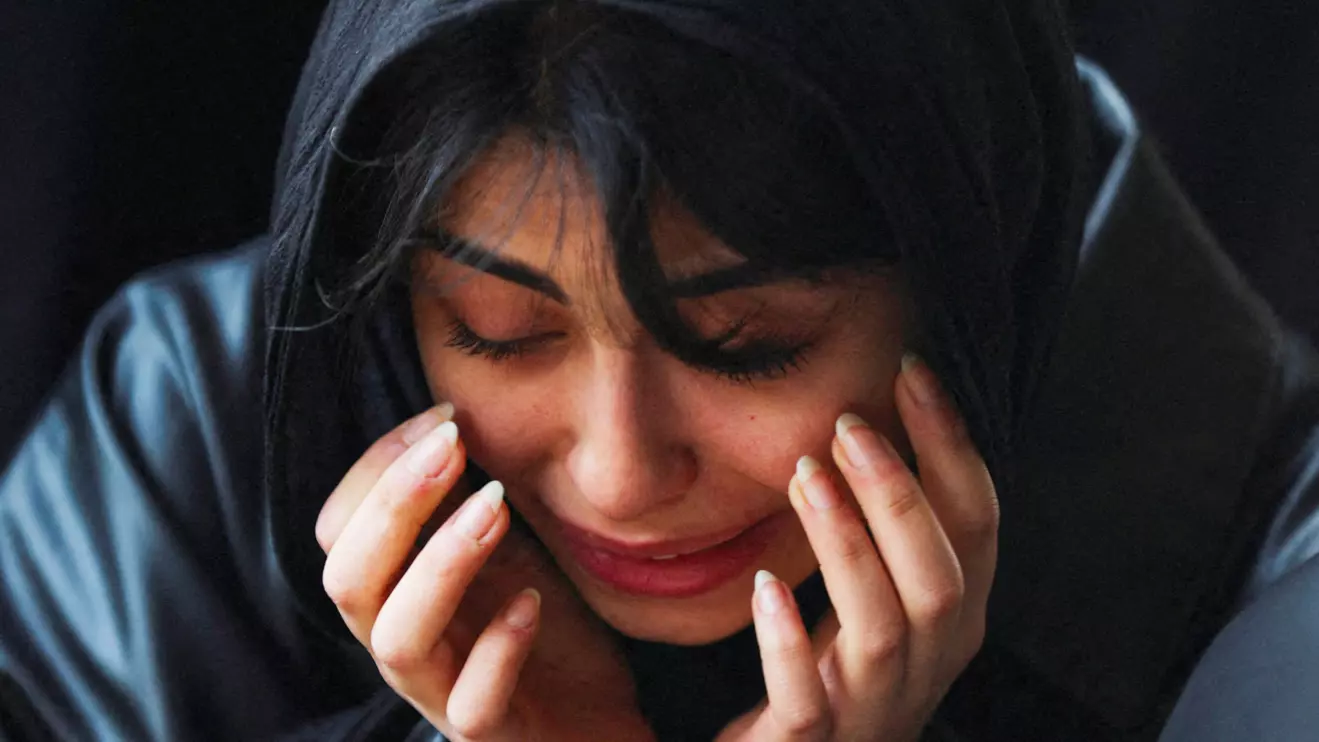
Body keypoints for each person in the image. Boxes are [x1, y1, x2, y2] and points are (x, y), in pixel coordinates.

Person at [2, 0, 1317, 740]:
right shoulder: (181, 444)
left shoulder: (1276, 574)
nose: (622, 476)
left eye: (747, 348)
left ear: (970, 272)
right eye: (496, 331)